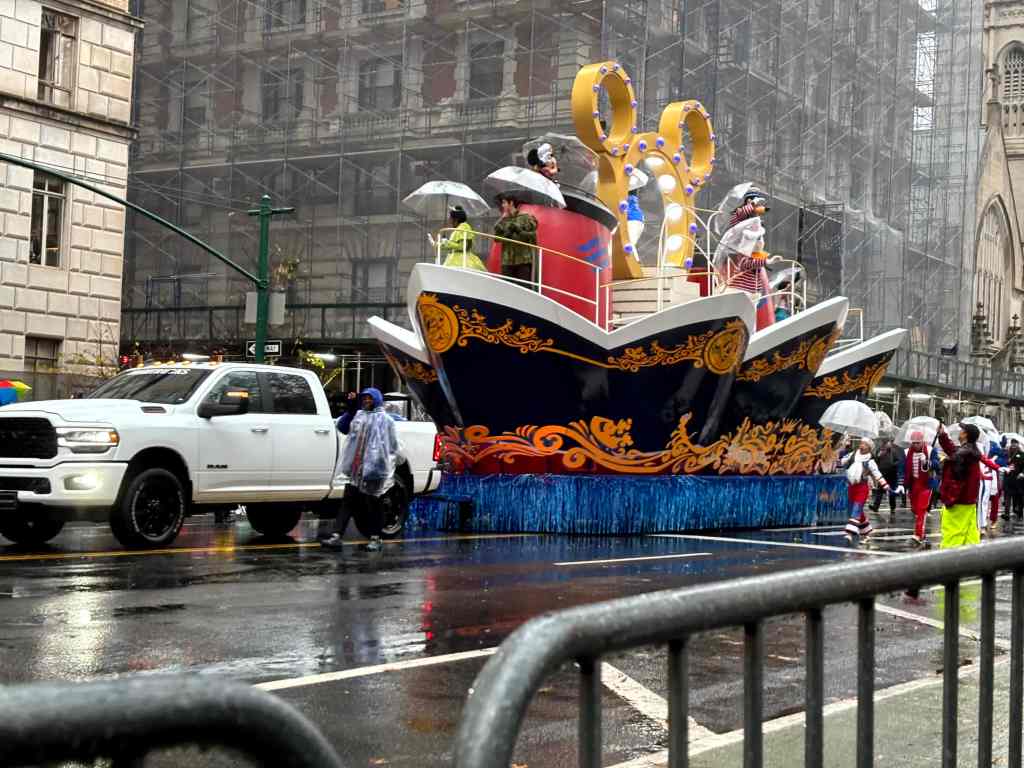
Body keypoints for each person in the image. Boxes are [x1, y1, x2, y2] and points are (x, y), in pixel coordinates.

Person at [322, 387, 399, 553]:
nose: (366, 401)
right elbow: (343, 427)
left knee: (374, 504)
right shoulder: (358, 416)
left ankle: (375, 538)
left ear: (377, 400)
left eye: (370, 398)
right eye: (364, 398)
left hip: (374, 471)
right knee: (348, 502)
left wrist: (384, 467)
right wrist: (351, 409)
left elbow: (393, 446)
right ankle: (336, 536)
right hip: (356, 470)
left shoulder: (386, 420)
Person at [936, 422, 982, 549]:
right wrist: (943, 435)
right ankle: (972, 559)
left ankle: (949, 560)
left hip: (958, 503)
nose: (959, 432)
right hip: (969, 502)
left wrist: (949, 499)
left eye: (962, 430)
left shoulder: (963, 455)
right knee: (970, 537)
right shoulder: (969, 451)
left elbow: (956, 480)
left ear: (965, 435)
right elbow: (953, 450)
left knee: (952, 536)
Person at [839, 438, 890, 547]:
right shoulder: (853, 454)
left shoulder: (870, 460)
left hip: (862, 488)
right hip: (851, 486)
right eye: (861, 443)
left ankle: (849, 533)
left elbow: (876, 473)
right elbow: (842, 461)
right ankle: (867, 533)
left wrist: (885, 485)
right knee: (853, 510)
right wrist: (839, 457)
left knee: (856, 509)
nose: (862, 446)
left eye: (865, 444)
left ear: (869, 448)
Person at [493, 195, 539, 286]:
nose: (502, 205)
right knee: (508, 287)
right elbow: (496, 239)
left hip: (523, 259)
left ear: (511, 203)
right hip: (507, 260)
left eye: (504, 203)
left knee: (524, 287)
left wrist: (519, 231)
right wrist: (507, 234)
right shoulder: (503, 220)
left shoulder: (525, 217)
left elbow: (533, 236)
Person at [904, 431, 934, 549]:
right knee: (915, 510)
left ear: (923, 442)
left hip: (926, 485)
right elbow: (903, 467)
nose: (916, 445)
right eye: (914, 443)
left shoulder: (930, 450)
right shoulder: (907, 452)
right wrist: (902, 484)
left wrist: (927, 462)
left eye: (918, 442)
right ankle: (922, 535)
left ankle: (918, 535)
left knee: (922, 510)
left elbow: (937, 465)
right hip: (913, 485)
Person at [440, 206, 486, 271]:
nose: (449, 220)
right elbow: (452, 246)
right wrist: (439, 244)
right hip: (454, 258)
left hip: (461, 260)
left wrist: (447, 242)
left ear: (456, 219)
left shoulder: (463, 227)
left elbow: (462, 246)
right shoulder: (459, 228)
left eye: (450, 218)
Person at [870, 438, 905, 521]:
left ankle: (892, 508)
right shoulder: (880, 450)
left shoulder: (894, 451)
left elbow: (898, 461)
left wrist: (893, 464)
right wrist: (878, 456)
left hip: (892, 474)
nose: (886, 444)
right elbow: (875, 460)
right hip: (883, 474)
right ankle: (876, 506)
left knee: (891, 492)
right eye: (885, 443)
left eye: (888, 443)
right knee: (880, 490)